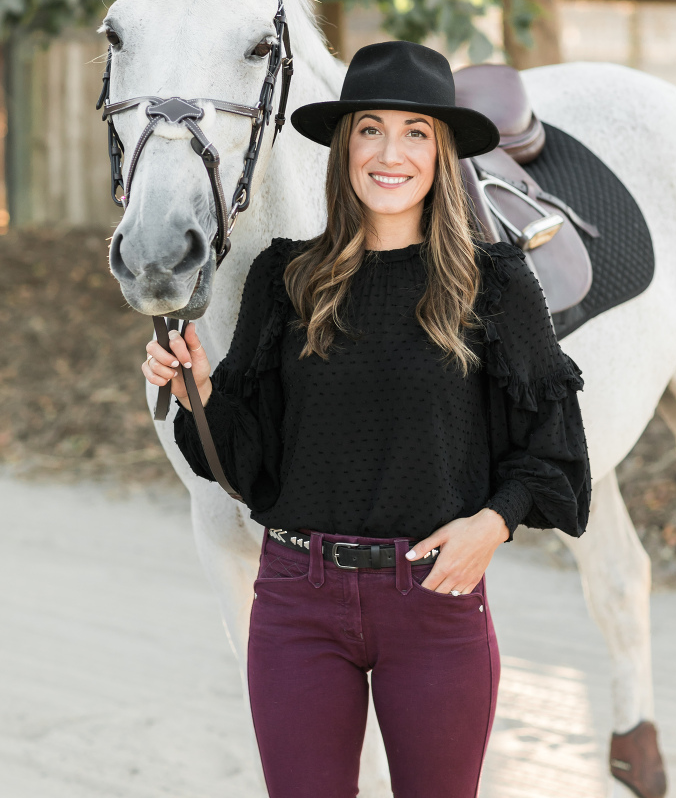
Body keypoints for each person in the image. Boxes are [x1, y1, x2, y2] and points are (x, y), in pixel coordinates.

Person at [142, 41, 590, 798]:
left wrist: (496, 522)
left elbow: (555, 449)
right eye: (370, 129)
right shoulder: (284, 280)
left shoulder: (494, 283)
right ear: (344, 146)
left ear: (442, 153)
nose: (392, 152)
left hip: (436, 601)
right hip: (296, 603)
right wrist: (200, 395)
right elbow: (250, 469)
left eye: (417, 132)